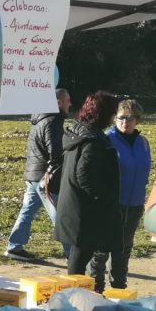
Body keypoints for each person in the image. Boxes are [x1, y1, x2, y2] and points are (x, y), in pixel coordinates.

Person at [54, 91, 122, 279]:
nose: (113, 118)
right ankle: (73, 291)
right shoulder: (92, 141)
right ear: (104, 114)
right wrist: (103, 195)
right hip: (84, 210)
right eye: (112, 113)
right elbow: (84, 175)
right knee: (79, 258)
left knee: (78, 256)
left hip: (73, 205)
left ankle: (75, 288)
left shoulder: (78, 132)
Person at [87, 99, 152, 292]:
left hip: (135, 204)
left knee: (123, 248)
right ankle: (95, 288)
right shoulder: (107, 140)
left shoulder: (143, 143)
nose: (125, 122)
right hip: (112, 204)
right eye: (121, 117)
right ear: (114, 118)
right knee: (101, 249)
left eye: (130, 118)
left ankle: (119, 288)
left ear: (137, 120)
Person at [6, 88, 72, 260]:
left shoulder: (38, 120)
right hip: (46, 178)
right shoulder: (53, 121)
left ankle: (14, 246)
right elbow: (55, 152)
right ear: (58, 102)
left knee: (27, 212)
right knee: (60, 215)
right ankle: (72, 254)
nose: (70, 104)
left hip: (33, 174)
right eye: (67, 101)